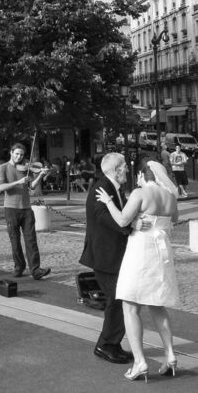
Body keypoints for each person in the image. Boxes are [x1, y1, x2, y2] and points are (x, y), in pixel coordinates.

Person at [96, 160, 179, 382]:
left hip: (141, 251)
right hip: (161, 253)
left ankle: (140, 362)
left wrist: (108, 201)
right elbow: (175, 220)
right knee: (157, 305)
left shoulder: (140, 193)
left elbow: (123, 219)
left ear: (143, 175)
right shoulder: (169, 196)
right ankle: (170, 355)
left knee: (130, 304)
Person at [79, 153, 133, 365]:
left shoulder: (113, 187)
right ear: (115, 170)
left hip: (113, 255)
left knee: (118, 299)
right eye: (125, 167)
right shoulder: (102, 187)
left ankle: (111, 343)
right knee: (118, 299)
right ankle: (106, 345)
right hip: (104, 255)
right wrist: (127, 227)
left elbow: (125, 210)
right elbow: (102, 215)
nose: (127, 170)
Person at [0, 143, 51, 280]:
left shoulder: (26, 168)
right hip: (11, 208)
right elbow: (1, 187)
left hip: (27, 208)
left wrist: (40, 176)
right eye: (17, 154)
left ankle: (36, 269)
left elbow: (31, 187)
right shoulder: (2, 168)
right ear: (11, 152)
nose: (19, 157)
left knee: (31, 239)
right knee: (15, 240)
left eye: (21, 154)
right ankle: (19, 267)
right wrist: (18, 182)